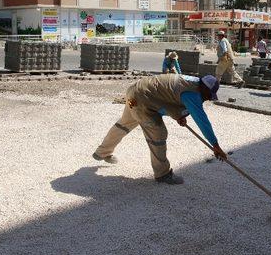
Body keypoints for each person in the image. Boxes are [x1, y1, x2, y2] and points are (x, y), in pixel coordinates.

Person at [92, 74, 227, 185]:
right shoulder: (193, 94)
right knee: (158, 133)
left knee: (124, 125)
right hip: (142, 99)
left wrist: (178, 116)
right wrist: (215, 145)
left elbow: (164, 97)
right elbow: (202, 120)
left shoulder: (190, 81)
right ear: (205, 90)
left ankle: (102, 152)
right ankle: (162, 174)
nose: (207, 99)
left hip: (135, 91)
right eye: (209, 95)